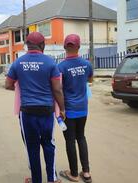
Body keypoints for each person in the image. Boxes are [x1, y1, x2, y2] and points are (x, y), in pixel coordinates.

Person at [5, 32, 65, 183]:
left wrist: (24, 87)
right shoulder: (50, 63)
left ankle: (36, 180)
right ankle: (51, 179)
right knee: (49, 145)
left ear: (27, 45)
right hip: (46, 112)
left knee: (32, 148)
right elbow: (57, 90)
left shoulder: (18, 63)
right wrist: (62, 109)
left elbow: (8, 84)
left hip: (27, 113)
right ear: (43, 45)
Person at [58, 34, 93, 183]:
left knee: (70, 141)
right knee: (81, 137)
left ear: (65, 47)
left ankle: (73, 173)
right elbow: (90, 80)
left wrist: (61, 109)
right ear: (78, 47)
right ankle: (86, 172)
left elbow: (58, 88)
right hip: (83, 108)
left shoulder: (61, 66)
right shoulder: (87, 64)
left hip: (69, 110)